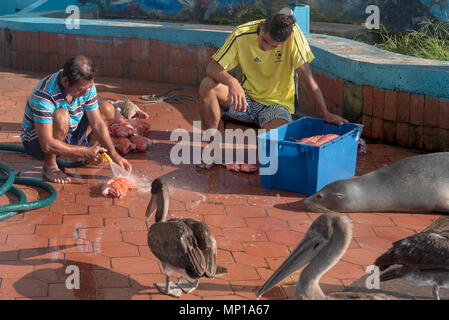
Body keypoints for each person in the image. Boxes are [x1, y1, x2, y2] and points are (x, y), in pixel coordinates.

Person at [198, 11, 347, 169]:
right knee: (208, 85)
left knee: (272, 156)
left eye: (274, 46)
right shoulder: (241, 34)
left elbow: (307, 79)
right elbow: (212, 67)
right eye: (264, 40)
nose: (266, 47)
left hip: (277, 107)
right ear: (262, 26)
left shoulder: (294, 37)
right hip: (246, 100)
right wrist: (232, 82)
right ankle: (212, 148)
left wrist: (325, 113)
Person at [20, 55, 132, 184]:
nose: (86, 93)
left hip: (70, 130)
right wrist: (84, 152)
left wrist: (115, 156)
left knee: (106, 109)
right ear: (65, 82)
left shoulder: (85, 84)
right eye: (82, 90)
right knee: (61, 116)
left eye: (89, 88)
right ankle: (50, 165)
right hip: (38, 142)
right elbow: (47, 144)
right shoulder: (44, 95)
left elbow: (98, 123)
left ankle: (89, 154)